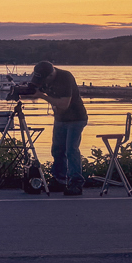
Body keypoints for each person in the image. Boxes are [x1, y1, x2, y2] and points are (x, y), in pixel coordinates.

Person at [29, 60, 88, 196]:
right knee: (57, 150)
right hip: (60, 119)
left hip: (76, 118)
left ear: (50, 75)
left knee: (71, 149)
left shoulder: (65, 77)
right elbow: (34, 89)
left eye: (43, 79)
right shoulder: (43, 78)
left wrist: (42, 96)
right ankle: (59, 180)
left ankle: (76, 182)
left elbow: (64, 104)